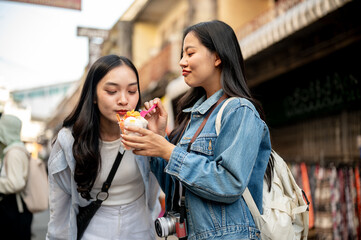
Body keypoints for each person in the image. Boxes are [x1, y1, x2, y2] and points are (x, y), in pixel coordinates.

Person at [121, 20, 273, 240]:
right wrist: (158, 138)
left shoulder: (240, 110)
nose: (182, 62)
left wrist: (168, 151)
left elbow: (229, 184)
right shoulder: (194, 115)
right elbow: (177, 191)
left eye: (190, 53)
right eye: (182, 55)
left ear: (218, 56)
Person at [46, 55, 161, 240]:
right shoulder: (69, 141)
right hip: (94, 229)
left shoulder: (146, 131)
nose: (124, 100)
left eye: (132, 91)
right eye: (112, 91)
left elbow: (160, 188)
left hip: (140, 227)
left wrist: (159, 138)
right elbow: (59, 213)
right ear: (93, 96)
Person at [0, 114, 32, 240]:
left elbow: (16, 183)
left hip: (14, 210)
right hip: (17, 209)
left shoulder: (14, 152)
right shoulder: (17, 149)